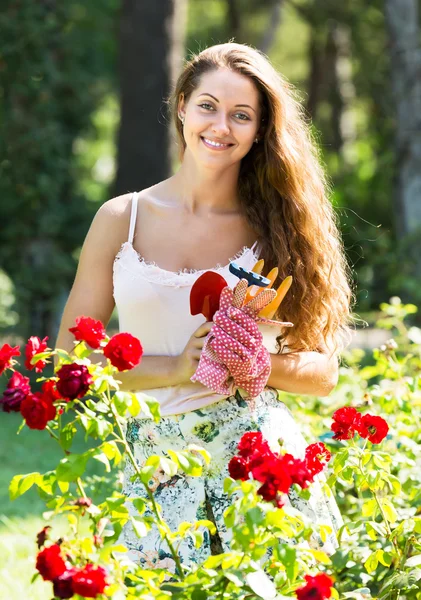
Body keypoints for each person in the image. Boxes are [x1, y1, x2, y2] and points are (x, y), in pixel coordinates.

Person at [56, 42, 353, 571]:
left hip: (258, 461)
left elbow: (324, 372)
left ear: (260, 130)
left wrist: (256, 366)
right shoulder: (121, 218)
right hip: (155, 461)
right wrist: (177, 367)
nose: (221, 126)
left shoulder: (280, 230)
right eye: (208, 106)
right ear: (182, 108)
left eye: (242, 115)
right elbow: (68, 362)